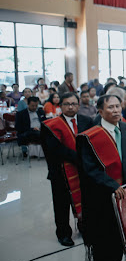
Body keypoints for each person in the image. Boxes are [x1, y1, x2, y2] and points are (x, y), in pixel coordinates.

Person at [77, 95, 126, 261]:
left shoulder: (125, 127)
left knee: (119, 231)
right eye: (110, 107)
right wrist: (112, 185)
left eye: (118, 106)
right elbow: (89, 170)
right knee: (103, 233)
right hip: (101, 194)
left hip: (123, 191)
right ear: (100, 111)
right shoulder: (90, 136)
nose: (115, 110)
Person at [41, 93, 93, 246]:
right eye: (66, 104)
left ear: (78, 105)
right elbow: (54, 149)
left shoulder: (87, 120)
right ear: (60, 106)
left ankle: (84, 227)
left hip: (83, 170)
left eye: (73, 104)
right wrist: (80, 158)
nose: (70, 107)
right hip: (60, 171)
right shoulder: (50, 124)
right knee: (61, 204)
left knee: (85, 201)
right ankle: (63, 233)